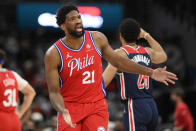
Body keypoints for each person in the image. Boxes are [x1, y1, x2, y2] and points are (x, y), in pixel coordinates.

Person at [44, 5, 177, 131]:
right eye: (72, 19)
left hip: (96, 106)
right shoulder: (53, 54)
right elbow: (54, 92)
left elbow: (119, 62)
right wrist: (62, 110)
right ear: (63, 26)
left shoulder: (97, 38)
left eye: (79, 17)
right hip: (70, 108)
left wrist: (152, 72)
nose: (78, 21)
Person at [103, 18, 171, 131]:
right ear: (138, 36)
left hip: (135, 105)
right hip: (151, 105)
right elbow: (163, 56)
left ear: (120, 36)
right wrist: (147, 35)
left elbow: (103, 82)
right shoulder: (147, 51)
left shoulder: (119, 54)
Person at [0, 49, 36, 131]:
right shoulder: (13, 74)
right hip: (14, 119)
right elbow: (31, 92)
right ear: (2, 61)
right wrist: (20, 113)